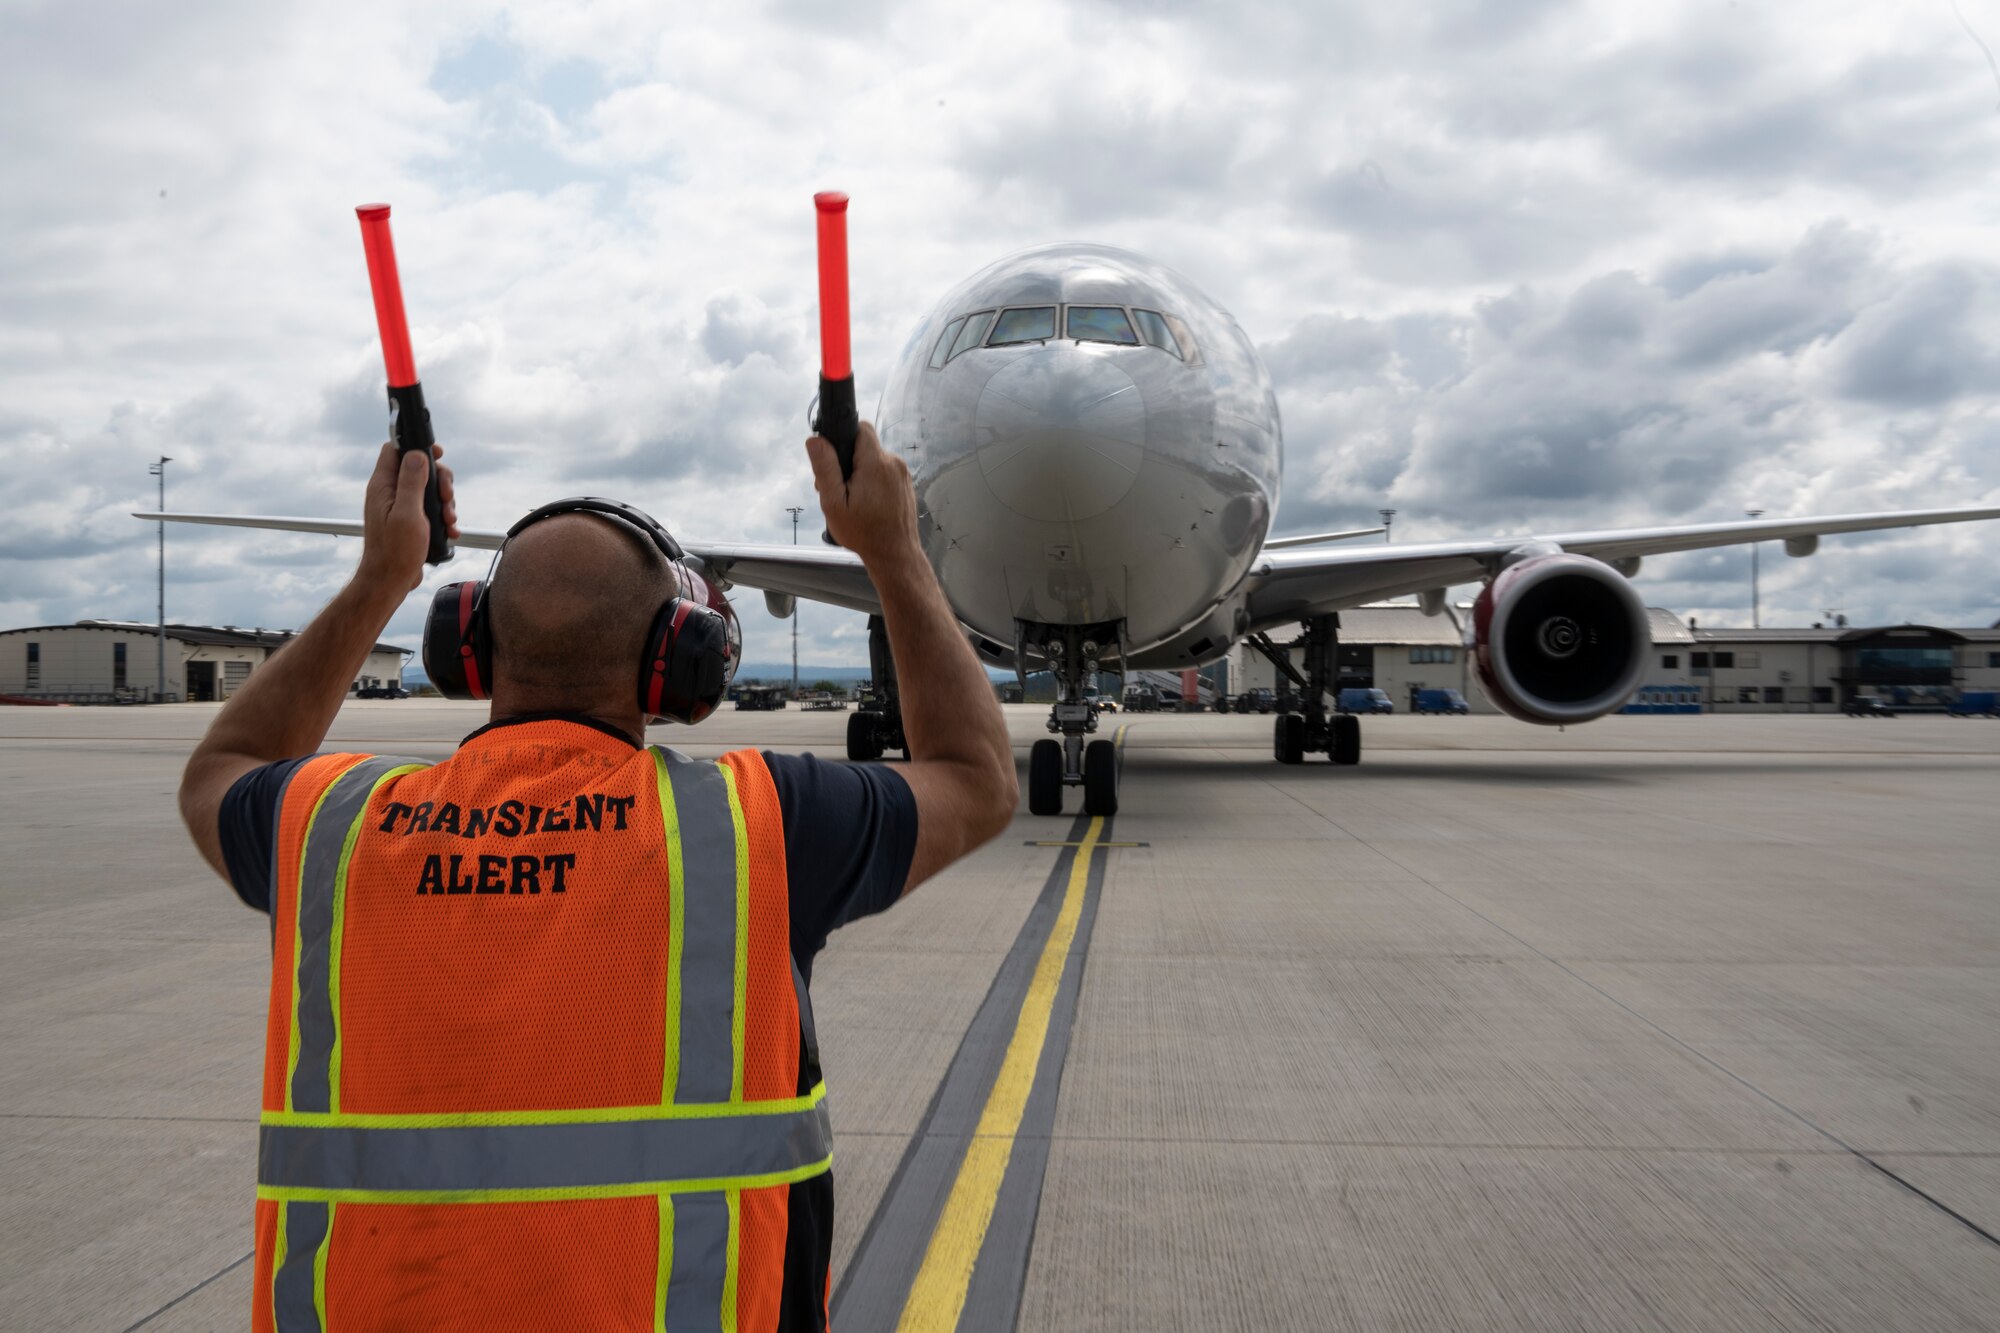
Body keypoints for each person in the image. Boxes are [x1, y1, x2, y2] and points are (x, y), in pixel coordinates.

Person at [178, 429, 1018, 1331]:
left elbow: (223, 765)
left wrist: (381, 576)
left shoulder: (334, 827)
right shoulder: (756, 824)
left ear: (468, 647)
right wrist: (894, 550)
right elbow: (975, 776)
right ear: (682, 661)